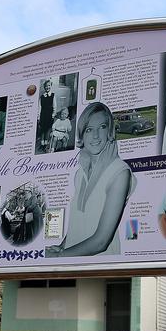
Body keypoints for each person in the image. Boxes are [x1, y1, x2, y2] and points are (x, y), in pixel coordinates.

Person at [46, 102, 135, 257]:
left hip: (102, 267)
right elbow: (80, 222)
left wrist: (60, 257)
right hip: (76, 264)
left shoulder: (120, 173)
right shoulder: (80, 173)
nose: (95, 136)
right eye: (89, 130)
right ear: (82, 134)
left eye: (102, 127)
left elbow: (101, 242)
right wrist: (62, 247)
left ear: (109, 131)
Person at [37, 80, 56, 151]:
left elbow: (55, 107)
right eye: (46, 86)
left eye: (49, 86)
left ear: (51, 86)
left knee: (48, 130)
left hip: (49, 115)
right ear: (44, 87)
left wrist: (53, 115)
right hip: (43, 115)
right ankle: (42, 144)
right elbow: (39, 107)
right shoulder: (42, 97)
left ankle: (46, 144)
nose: (47, 87)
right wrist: (38, 117)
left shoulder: (53, 95)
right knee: (42, 130)